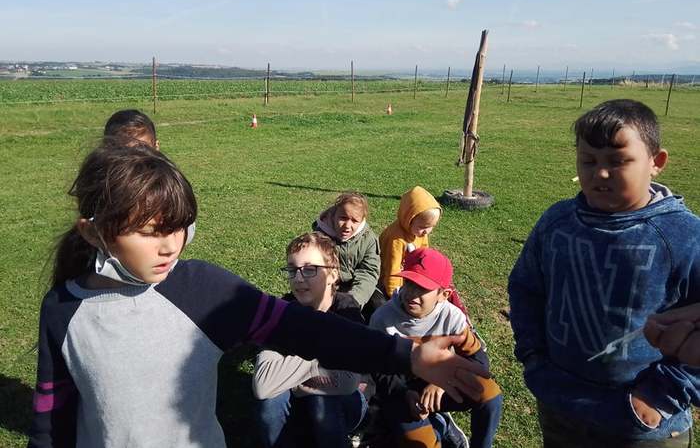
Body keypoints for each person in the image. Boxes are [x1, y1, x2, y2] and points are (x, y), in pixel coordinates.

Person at [28, 143, 490, 448]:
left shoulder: (199, 288)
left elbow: (310, 331)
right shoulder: (63, 310)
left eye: (180, 227)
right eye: (151, 232)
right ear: (94, 232)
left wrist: (408, 355)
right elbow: (51, 419)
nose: (171, 246)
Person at [508, 99, 700, 447]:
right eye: (589, 161)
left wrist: (660, 394)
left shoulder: (684, 238)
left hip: (640, 426)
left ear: (656, 162)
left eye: (618, 160)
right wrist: (533, 357)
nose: (601, 173)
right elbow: (526, 289)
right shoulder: (557, 222)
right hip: (560, 407)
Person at [370, 248, 502, 448]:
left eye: (422, 288)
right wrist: (403, 393)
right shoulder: (382, 319)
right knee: (422, 443)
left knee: (490, 393)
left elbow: (479, 362)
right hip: (403, 393)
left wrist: (442, 383)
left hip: (442, 384)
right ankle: (439, 425)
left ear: (444, 294)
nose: (411, 293)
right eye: (408, 283)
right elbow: (378, 370)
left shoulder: (453, 317)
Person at [253, 232, 368, 447]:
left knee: (321, 400)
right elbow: (263, 384)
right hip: (294, 407)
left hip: (344, 405)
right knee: (269, 403)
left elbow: (349, 381)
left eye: (309, 269)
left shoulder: (347, 312)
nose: (298, 278)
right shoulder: (281, 313)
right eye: (292, 269)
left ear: (333, 274)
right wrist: (321, 359)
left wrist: (292, 380)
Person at [312, 192, 382, 311]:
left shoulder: (368, 239)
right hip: (328, 286)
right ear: (334, 215)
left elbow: (368, 272)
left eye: (354, 221)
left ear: (362, 221)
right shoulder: (319, 237)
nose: (347, 226)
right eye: (343, 218)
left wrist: (355, 298)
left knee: (379, 305)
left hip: (358, 288)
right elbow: (313, 270)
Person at [378, 186, 442, 297]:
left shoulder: (419, 232)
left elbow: (423, 254)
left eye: (432, 226)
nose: (427, 231)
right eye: (423, 227)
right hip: (386, 282)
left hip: (407, 278)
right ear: (408, 219)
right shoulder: (396, 239)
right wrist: (394, 295)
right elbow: (392, 269)